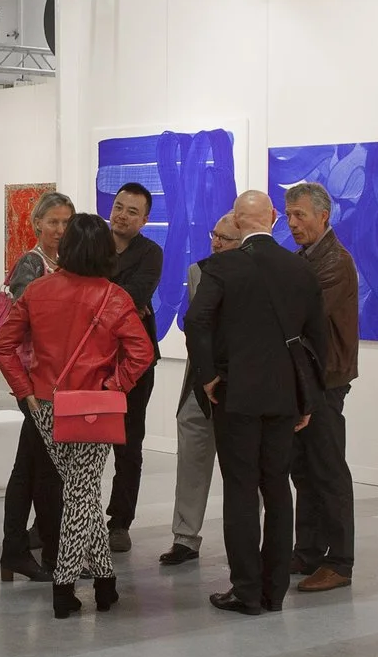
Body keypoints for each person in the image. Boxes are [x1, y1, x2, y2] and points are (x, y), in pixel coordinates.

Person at [0, 213, 155, 618]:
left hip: (46, 405)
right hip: (92, 408)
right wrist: (114, 386)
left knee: (80, 492)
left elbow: (2, 346)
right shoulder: (113, 297)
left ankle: (105, 582)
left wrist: (25, 391)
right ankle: (64, 586)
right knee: (82, 492)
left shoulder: (39, 291)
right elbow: (142, 353)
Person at [185, 190, 325, 617]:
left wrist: (207, 374)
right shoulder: (299, 269)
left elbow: (196, 320)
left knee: (242, 490)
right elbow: (315, 338)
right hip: (284, 396)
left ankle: (246, 590)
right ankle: (275, 590)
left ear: (238, 223)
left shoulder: (223, 266)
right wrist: (308, 399)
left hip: (237, 394)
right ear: (273, 219)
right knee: (278, 488)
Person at [282, 182, 362, 593]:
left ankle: (339, 561)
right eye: (289, 215)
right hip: (307, 380)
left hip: (327, 381)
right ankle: (309, 550)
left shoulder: (334, 262)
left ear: (323, 216)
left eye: (300, 215)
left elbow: (301, 314)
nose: (292, 223)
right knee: (305, 470)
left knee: (328, 470)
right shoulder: (308, 257)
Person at [0, 190, 73, 582]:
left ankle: (19, 550)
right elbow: (29, 319)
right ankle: (37, 551)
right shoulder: (32, 263)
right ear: (37, 224)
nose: (60, 229)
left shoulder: (63, 264)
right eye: (53, 222)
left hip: (50, 381)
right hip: (34, 380)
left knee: (31, 467)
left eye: (65, 222)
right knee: (40, 471)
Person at [159, 214, 243, 566]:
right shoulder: (198, 272)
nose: (216, 242)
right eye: (215, 235)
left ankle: (248, 538)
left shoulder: (253, 276)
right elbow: (197, 329)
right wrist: (206, 373)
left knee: (242, 469)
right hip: (199, 383)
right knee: (191, 460)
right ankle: (185, 537)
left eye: (225, 238)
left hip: (239, 385)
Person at [101, 182, 164, 553]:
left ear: (144, 220)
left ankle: (119, 521)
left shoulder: (151, 252)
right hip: (92, 360)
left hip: (134, 362)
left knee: (128, 443)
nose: (121, 215)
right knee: (81, 441)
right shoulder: (94, 244)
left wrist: (106, 294)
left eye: (131, 212)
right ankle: (77, 515)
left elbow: (134, 297)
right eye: (119, 207)